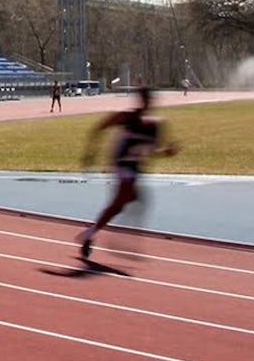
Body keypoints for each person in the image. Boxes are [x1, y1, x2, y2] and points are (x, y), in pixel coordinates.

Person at [76, 86, 178, 262]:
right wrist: (90, 155)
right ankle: (119, 242)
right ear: (140, 99)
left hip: (135, 167)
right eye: (145, 99)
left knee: (122, 205)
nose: (148, 103)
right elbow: (99, 128)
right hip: (122, 165)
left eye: (150, 99)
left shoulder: (155, 125)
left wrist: (166, 152)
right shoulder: (128, 117)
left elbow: (151, 150)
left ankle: (90, 234)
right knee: (128, 201)